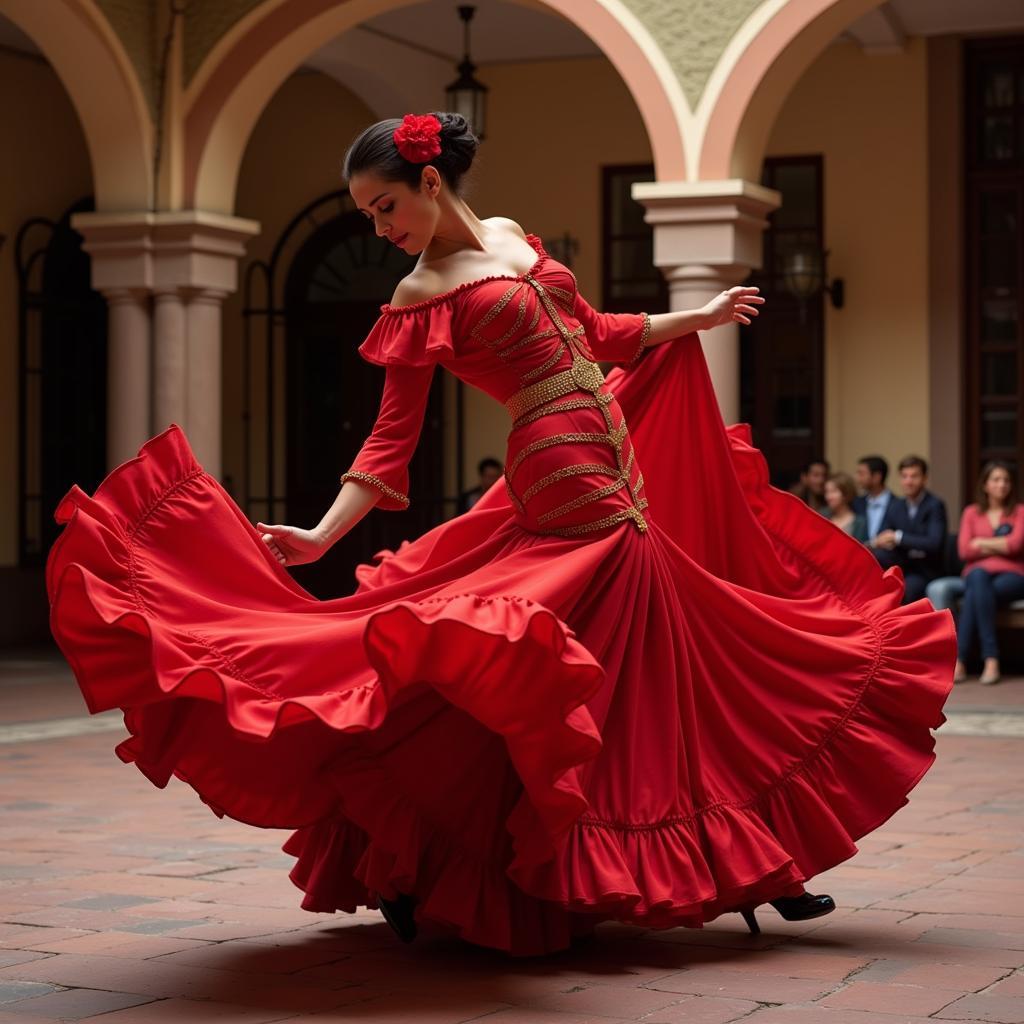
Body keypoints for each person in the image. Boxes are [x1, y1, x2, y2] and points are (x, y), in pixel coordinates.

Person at [45, 112, 956, 957]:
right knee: (513, 678)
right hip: (560, 500)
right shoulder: (418, 292)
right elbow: (388, 441)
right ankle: (411, 856)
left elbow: (600, 332)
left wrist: (702, 319)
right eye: (367, 215)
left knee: (668, 683)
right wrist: (323, 537)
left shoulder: (518, 240)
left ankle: (759, 862)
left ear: (431, 179)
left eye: (386, 205)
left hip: (622, 484)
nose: (380, 227)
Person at [944, 462, 1024, 685]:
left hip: (1013, 576)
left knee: (975, 594)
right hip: (978, 575)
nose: (1002, 485)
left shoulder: (1020, 512)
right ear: (986, 485)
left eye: (1006, 480)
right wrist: (999, 544)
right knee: (978, 581)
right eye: (996, 480)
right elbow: (964, 550)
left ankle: (960, 660)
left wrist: (980, 543)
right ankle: (991, 659)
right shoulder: (971, 512)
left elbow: (1016, 546)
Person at [870, 456, 948, 604]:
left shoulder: (935, 505)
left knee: (905, 591)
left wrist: (898, 538)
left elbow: (934, 543)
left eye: (914, 476)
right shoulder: (896, 505)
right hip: (899, 566)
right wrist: (883, 540)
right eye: (904, 476)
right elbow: (882, 534)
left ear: (925, 478)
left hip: (925, 570)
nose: (909, 481)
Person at [852, 455, 893, 541]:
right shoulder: (856, 503)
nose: (857, 478)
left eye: (861, 474)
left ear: (876, 477)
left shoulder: (898, 505)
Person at [823, 472, 867, 541]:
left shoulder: (859, 523)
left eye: (833, 491)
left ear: (846, 493)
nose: (828, 496)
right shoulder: (823, 516)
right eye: (827, 491)